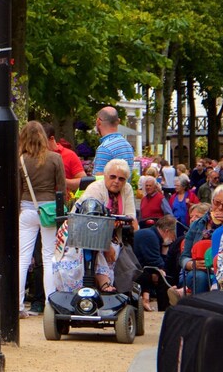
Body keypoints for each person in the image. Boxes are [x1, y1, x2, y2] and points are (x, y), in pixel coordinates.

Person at [52, 159, 137, 294]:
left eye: (121, 179)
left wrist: (130, 223)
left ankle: (103, 281)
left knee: (109, 247)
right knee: (92, 247)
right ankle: (99, 282)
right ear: (105, 176)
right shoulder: (95, 188)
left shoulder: (126, 189)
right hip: (80, 231)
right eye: (113, 177)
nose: (117, 181)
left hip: (113, 234)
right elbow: (89, 221)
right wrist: (106, 244)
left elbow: (131, 217)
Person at [16, 121, 63, 317]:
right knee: (49, 257)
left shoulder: (20, 160)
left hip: (27, 208)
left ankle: (17, 304)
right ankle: (50, 304)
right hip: (50, 210)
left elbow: (18, 190)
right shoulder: (55, 158)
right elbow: (61, 189)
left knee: (23, 257)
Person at [179, 184, 223, 296]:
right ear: (211, 202)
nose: (220, 208)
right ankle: (202, 310)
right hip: (201, 271)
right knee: (198, 277)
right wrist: (192, 264)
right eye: (216, 203)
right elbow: (183, 257)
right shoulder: (198, 224)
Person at [134, 215, 177, 311]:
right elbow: (155, 262)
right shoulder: (150, 236)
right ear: (167, 231)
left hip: (139, 268)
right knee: (164, 277)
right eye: (173, 236)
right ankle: (164, 309)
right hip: (135, 270)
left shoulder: (151, 234)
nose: (173, 240)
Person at [42, 123, 86, 195]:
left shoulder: (69, 155)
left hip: (63, 202)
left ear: (52, 139)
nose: (38, 146)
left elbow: (83, 181)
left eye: (41, 142)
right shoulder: (32, 157)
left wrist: (61, 181)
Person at [92, 107, 135, 176]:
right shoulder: (127, 145)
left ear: (98, 122)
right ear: (118, 121)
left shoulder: (104, 148)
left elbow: (99, 181)